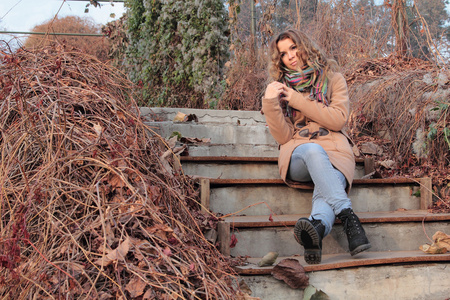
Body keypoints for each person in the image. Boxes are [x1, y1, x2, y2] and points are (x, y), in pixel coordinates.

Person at [262, 29, 371, 264]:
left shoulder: (333, 78)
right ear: (279, 59)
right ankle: (348, 216)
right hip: (299, 152)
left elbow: (337, 119)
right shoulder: (280, 89)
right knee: (314, 151)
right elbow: (283, 137)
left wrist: (297, 100)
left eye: (293, 47)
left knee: (329, 180)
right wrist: (271, 102)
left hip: (336, 150)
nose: (289, 56)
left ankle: (317, 229)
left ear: (304, 46)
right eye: (283, 53)